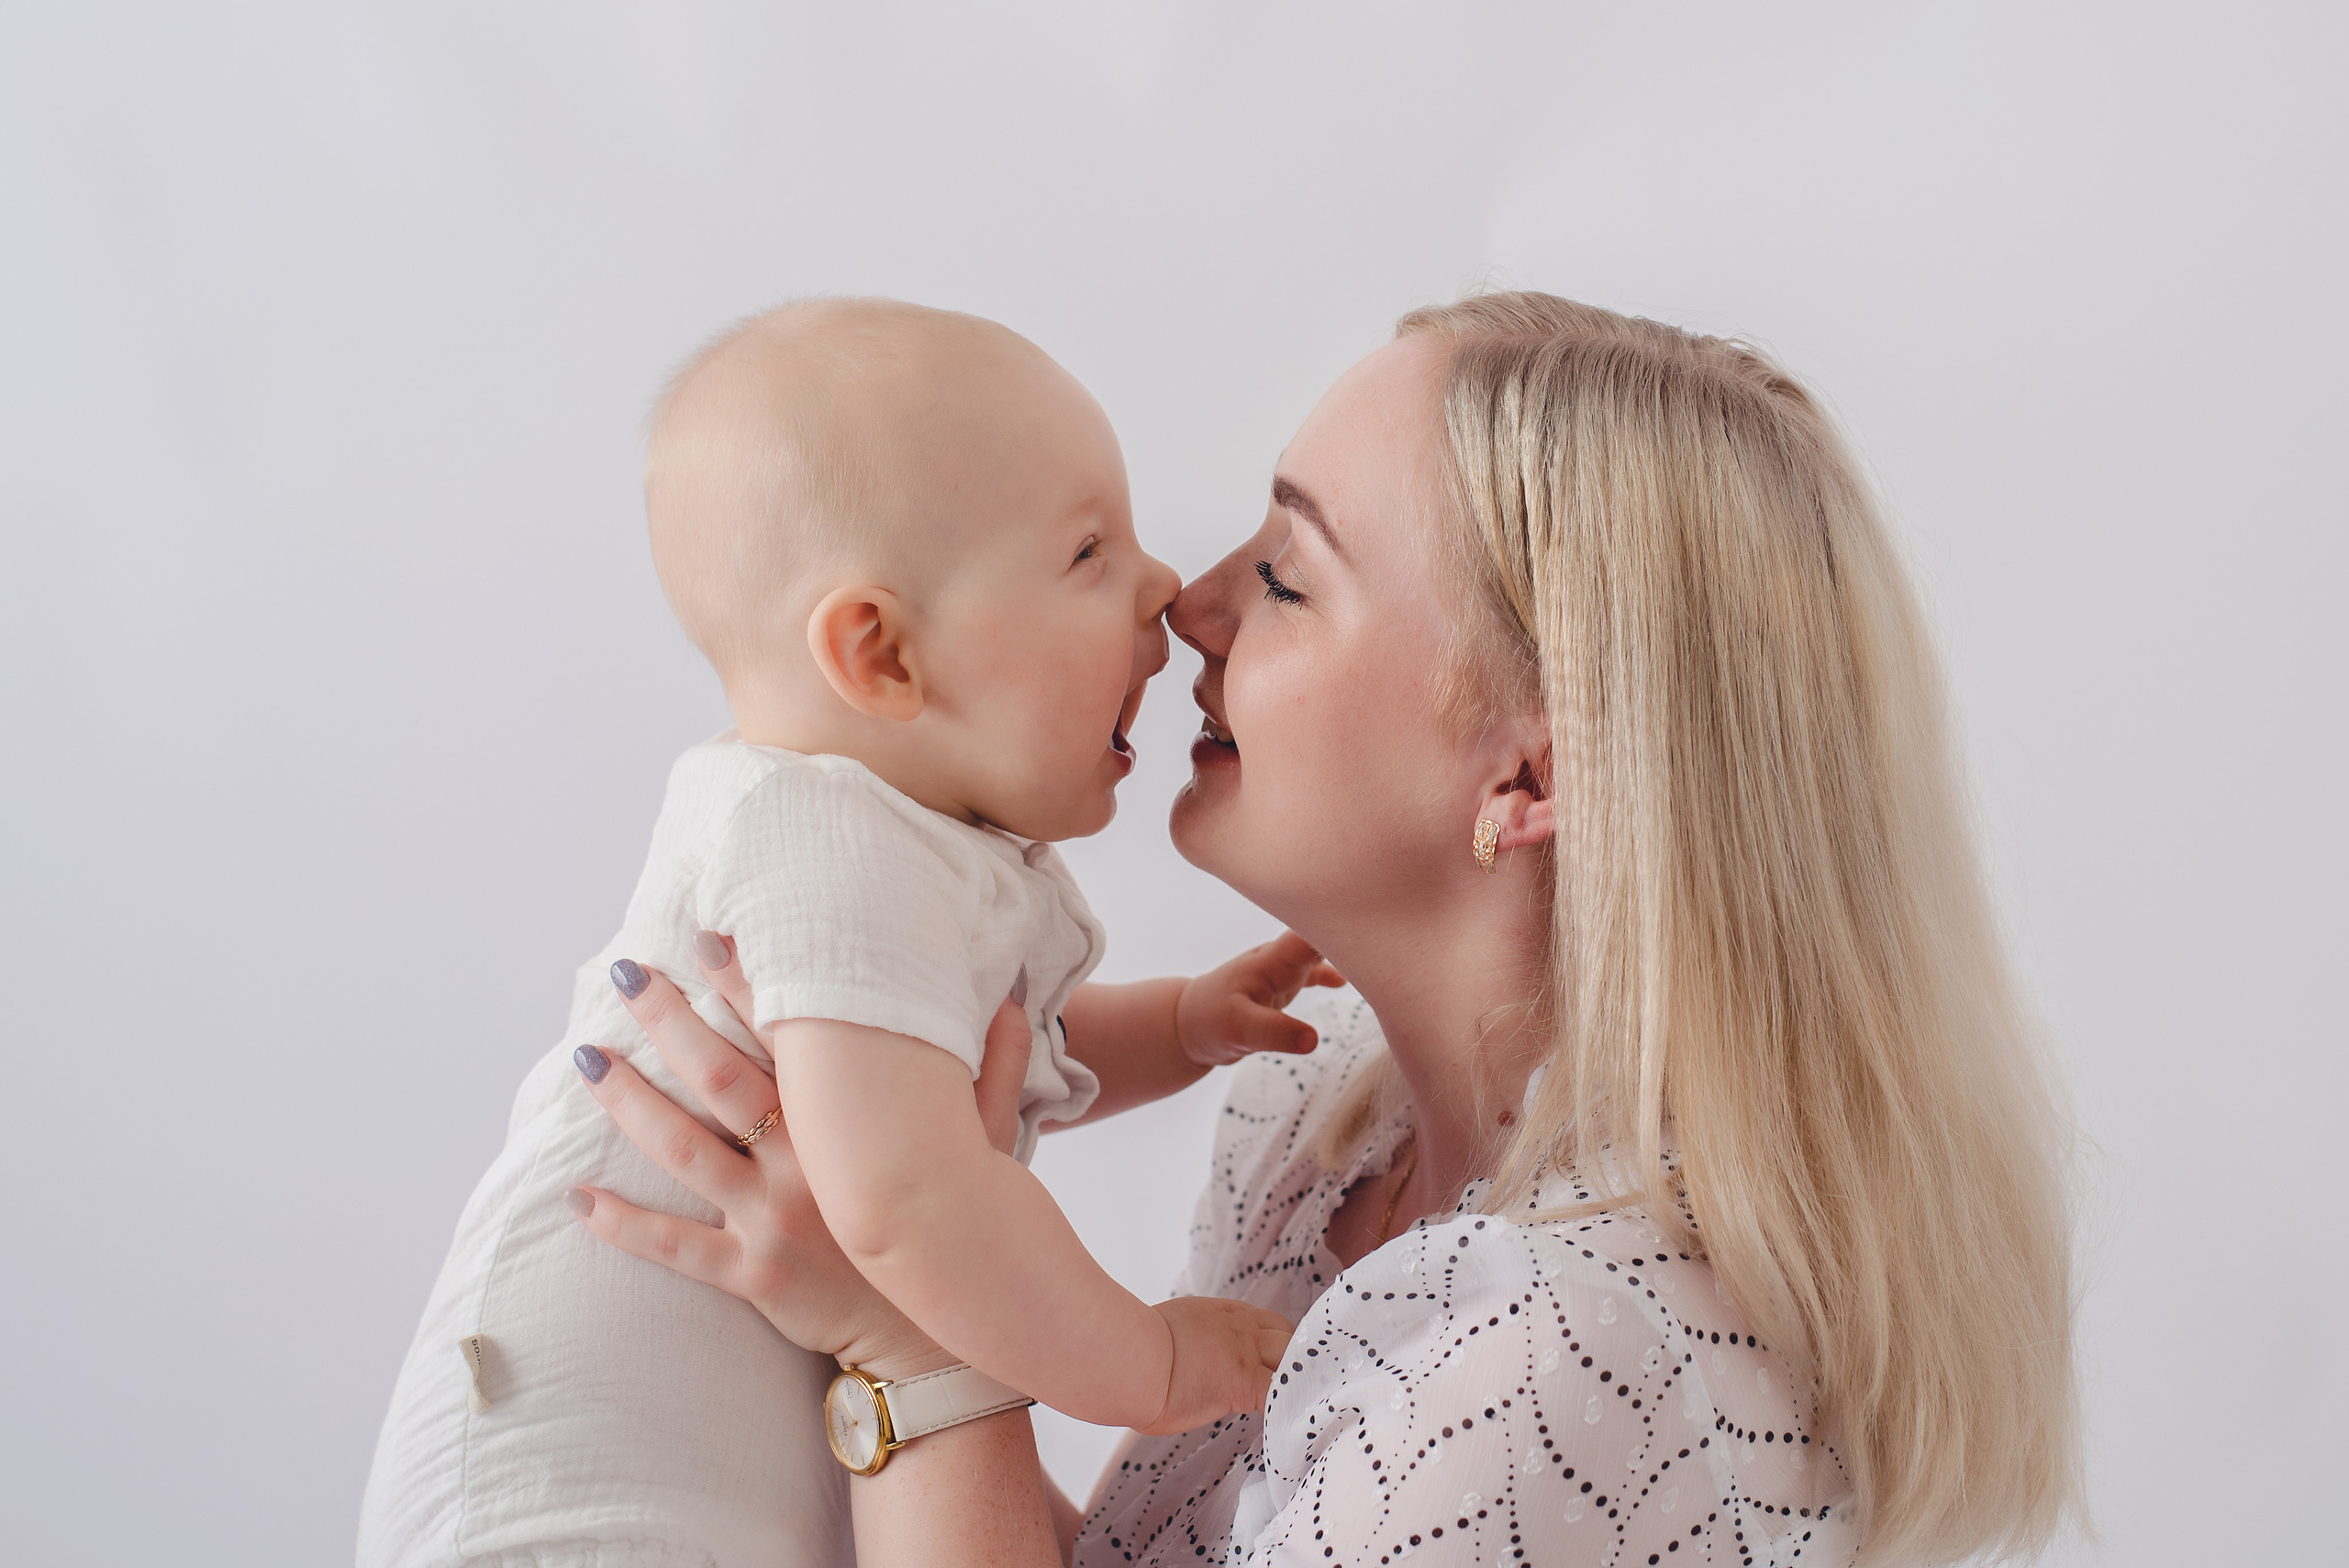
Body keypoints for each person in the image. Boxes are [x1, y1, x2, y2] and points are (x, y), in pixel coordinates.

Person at [563, 292, 2086, 1566]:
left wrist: (911, 1340)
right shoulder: (1324, 1121)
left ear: (1530, 774)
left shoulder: (1549, 1373)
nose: (1190, 604)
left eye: (1288, 573)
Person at [360, 300, 1321, 1568]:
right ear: (880, 654)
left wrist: (1184, 1021)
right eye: (1089, 553)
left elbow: (961, 1057)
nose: (1161, 585)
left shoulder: (871, 848)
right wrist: (1152, 1360)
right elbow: (907, 1191)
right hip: (572, 1512)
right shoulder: (823, 844)